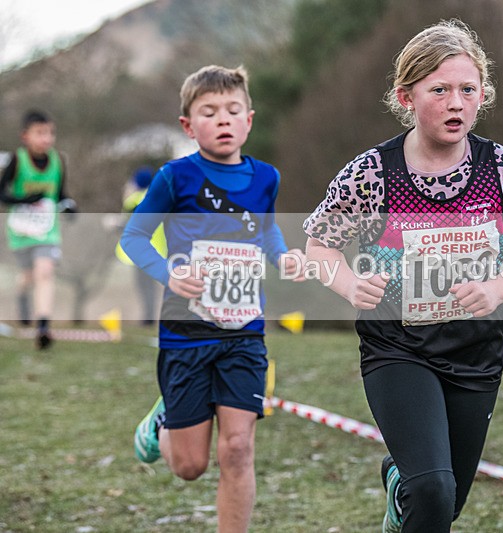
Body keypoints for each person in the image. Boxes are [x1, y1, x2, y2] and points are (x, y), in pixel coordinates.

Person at [303, 19, 503, 532]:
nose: (456, 103)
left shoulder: (501, 169)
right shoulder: (372, 173)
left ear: (483, 95)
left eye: (468, 90)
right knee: (433, 489)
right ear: (406, 96)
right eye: (439, 90)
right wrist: (350, 283)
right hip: (398, 349)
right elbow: (318, 247)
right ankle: (412, 481)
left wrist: (497, 287)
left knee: (442, 504)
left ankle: (402, 484)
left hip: (476, 353)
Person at [121, 65, 305, 533]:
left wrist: (283, 259)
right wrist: (169, 272)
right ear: (188, 125)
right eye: (209, 111)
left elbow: (265, 234)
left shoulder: (266, 178)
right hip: (187, 334)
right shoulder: (174, 177)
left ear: (249, 120)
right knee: (189, 466)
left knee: (238, 448)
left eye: (232, 110)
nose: (223, 119)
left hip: (244, 333)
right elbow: (134, 238)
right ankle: (162, 420)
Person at [0, 109, 77, 349]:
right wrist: (23, 199)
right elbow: (2, 194)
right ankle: (22, 295)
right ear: (26, 136)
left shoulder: (58, 160)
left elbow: (61, 195)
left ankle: (43, 326)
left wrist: (69, 207)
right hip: (21, 230)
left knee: (45, 271)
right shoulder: (16, 160)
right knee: (28, 277)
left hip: (47, 230)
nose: (46, 138)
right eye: (40, 133)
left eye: (50, 133)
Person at [115, 165, 165, 325]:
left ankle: (148, 317)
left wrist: (114, 224)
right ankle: (150, 316)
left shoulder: (134, 199)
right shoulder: (155, 196)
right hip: (157, 248)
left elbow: (130, 223)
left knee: (144, 286)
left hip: (141, 249)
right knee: (150, 285)